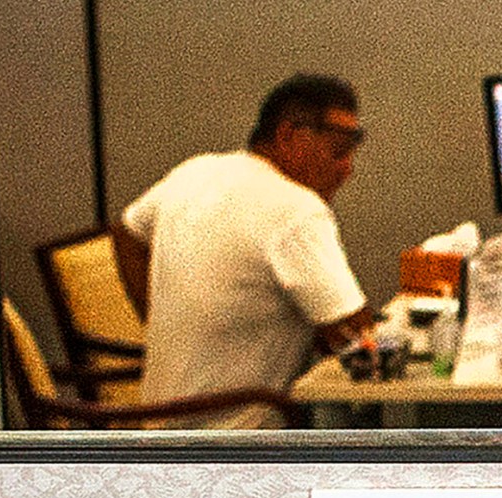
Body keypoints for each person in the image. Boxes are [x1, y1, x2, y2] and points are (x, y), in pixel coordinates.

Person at [112, 74, 374, 427]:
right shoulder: (296, 209)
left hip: (160, 431)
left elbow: (127, 232)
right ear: (289, 136)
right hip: (241, 441)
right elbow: (357, 342)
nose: (347, 169)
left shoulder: (195, 171)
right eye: (339, 152)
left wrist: (157, 314)